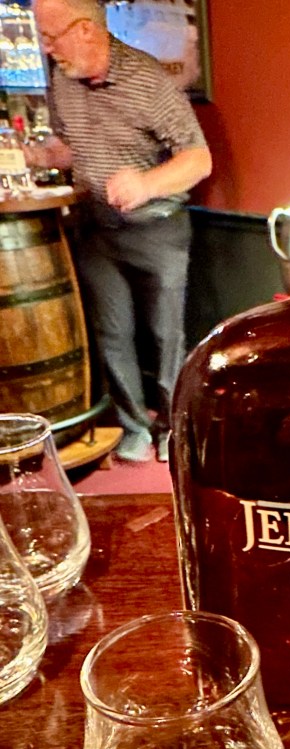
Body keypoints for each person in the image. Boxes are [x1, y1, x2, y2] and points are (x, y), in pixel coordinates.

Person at [29, 0, 212, 463]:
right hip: (96, 227)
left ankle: (172, 430)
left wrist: (146, 183)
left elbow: (198, 158)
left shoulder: (148, 80)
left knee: (165, 337)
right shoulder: (62, 79)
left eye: (52, 37)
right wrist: (46, 155)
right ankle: (134, 427)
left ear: (86, 30)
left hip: (157, 231)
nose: (47, 49)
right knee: (112, 335)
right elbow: (72, 146)